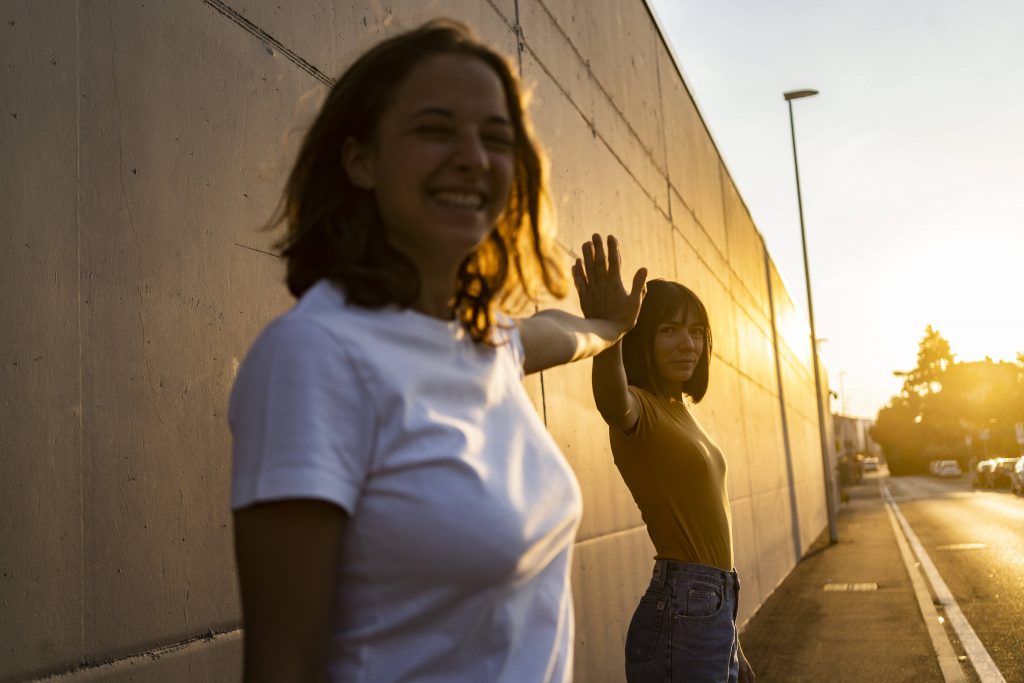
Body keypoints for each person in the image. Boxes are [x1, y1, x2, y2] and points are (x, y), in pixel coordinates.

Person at [228, 20, 647, 683]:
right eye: (434, 129)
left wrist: (611, 326)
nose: (473, 157)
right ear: (359, 159)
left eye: (496, 138)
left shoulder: (488, 342)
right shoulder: (315, 356)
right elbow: (283, 667)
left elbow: (559, 333)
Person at [573, 238, 755, 683]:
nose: (687, 344)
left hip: (713, 607)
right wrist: (609, 330)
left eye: (696, 332)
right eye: (669, 330)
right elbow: (611, 401)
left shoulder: (682, 413)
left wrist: (732, 636)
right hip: (685, 606)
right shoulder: (639, 408)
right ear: (641, 337)